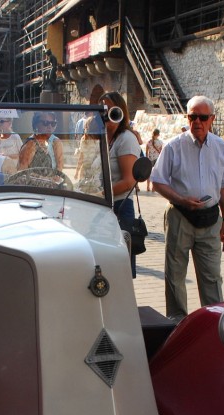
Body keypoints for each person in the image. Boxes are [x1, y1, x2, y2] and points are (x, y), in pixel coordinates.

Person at [150, 95, 224, 320]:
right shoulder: (173, 146)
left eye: (202, 117)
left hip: (211, 219)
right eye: (192, 117)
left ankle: (214, 322)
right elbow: (158, 181)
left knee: (211, 276)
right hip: (180, 216)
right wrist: (180, 199)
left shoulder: (221, 148)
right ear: (187, 117)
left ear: (212, 119)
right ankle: (177, 322)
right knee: (175, 274)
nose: (197, 121)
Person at [101, 92, 143, 277]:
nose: (106, 114)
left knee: (119, 269)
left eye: (111, 110)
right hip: (104, 206)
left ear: (120, 112)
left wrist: (100, 193)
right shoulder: (103, 137)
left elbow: (129, 180)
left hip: (119, 206)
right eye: (102, 110)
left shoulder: (125, 138)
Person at [74, 115, 103, 195]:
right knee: (83, 191)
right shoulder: (83, 139)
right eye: (86, 127)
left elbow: (100, 156)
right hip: (85, 170)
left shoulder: (100, 140)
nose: (86, 129)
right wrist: (77, 171)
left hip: (96, 172)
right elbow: (81, 156)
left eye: (87, 127)